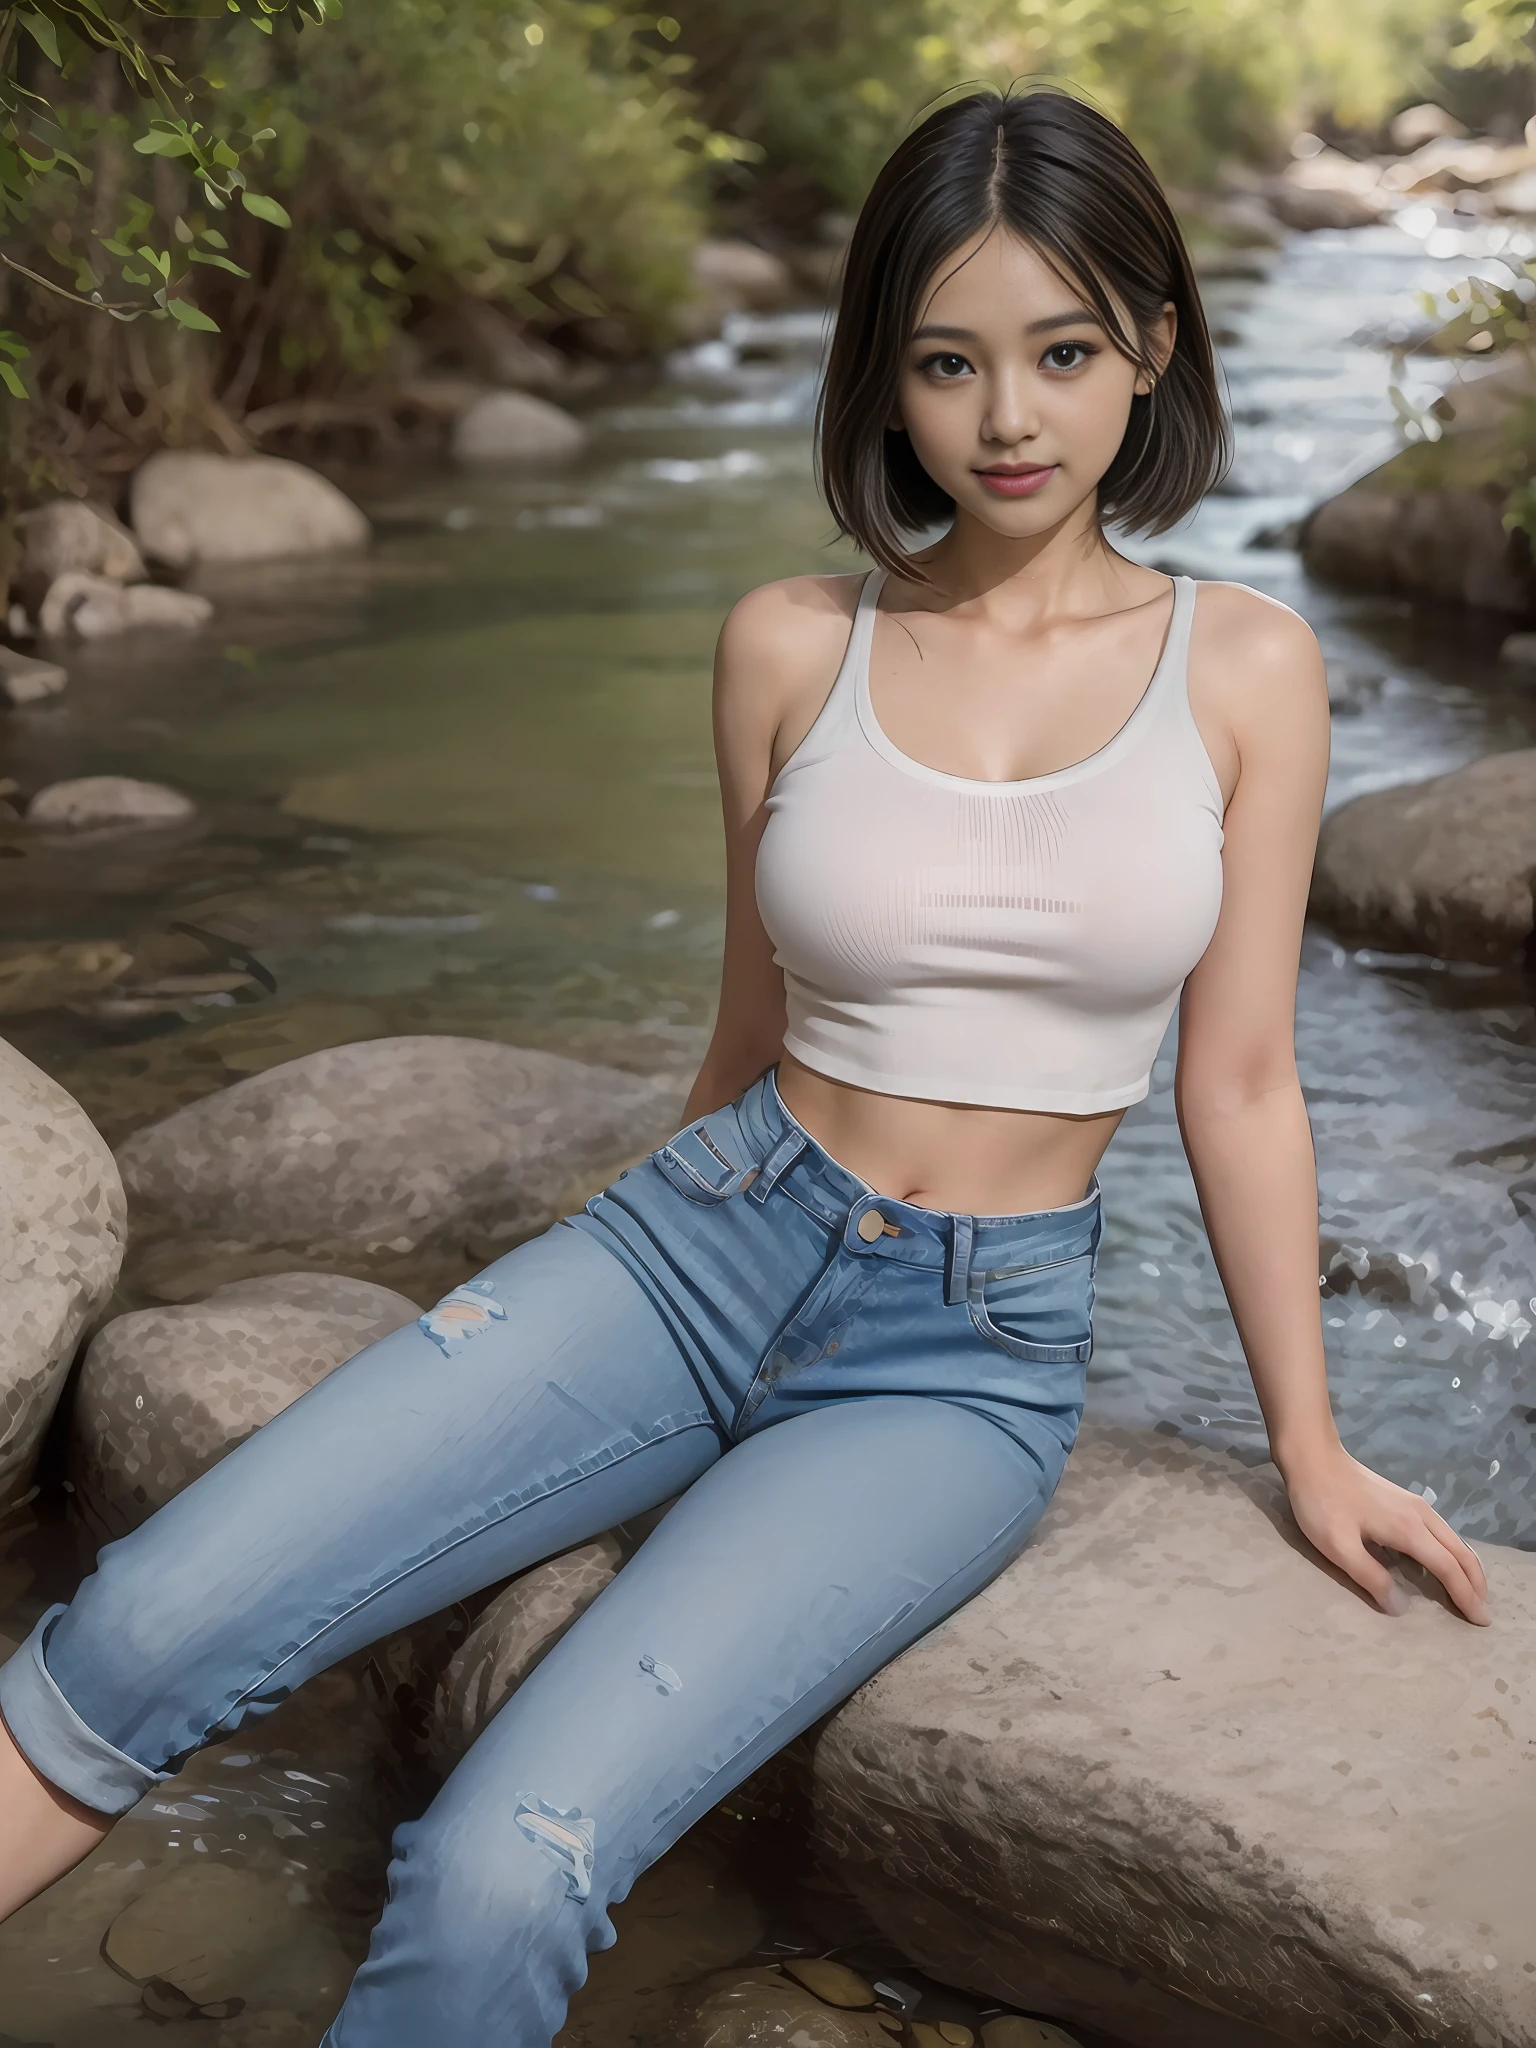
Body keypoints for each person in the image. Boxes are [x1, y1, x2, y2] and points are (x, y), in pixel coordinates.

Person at [0, 83, 1490, 2044]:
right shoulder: (791, 642)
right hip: (694, 1245)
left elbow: (1243, 1087)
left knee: (501, 1861)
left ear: (1153, 345)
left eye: (1060, 351)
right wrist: (567, 1309)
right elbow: (748, 1028)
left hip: (953, 1365)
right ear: (884, 377)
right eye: (949, 363)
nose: (1010, 419)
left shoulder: (1246, 669)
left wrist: (1310, 1446)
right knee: (144, 1622)